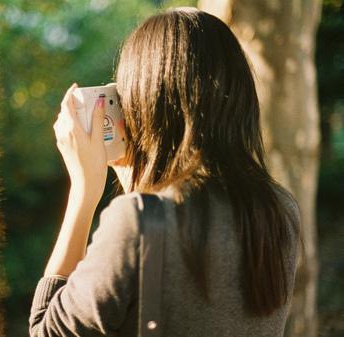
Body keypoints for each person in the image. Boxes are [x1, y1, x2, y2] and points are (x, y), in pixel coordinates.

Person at [28, 6, 300, 337]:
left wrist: (84, 192)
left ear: (145, 103)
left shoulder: (137, 221)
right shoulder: (280, 211)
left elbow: (46, 330)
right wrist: (137, 176)